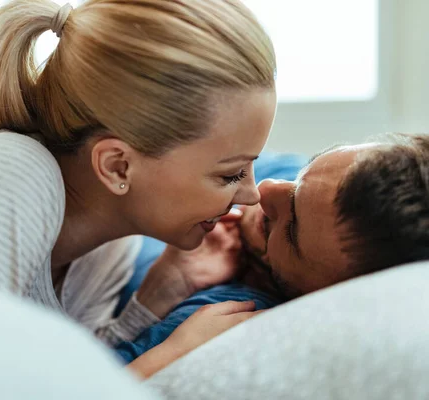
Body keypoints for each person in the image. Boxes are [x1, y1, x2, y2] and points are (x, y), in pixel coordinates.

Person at [0, 0, 277, 371]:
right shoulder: (12, 176)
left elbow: (49, 367)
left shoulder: (109, 243)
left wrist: (160, 294)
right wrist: (165, 361)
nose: (252, 194)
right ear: (118, 167)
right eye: (230, 174)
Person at [117, 133, 429, 378]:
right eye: (306, 171)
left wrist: (161, 340)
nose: (263, 189)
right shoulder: (303, 181)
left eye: (290, 227)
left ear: (317, 296)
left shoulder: (213, 321)